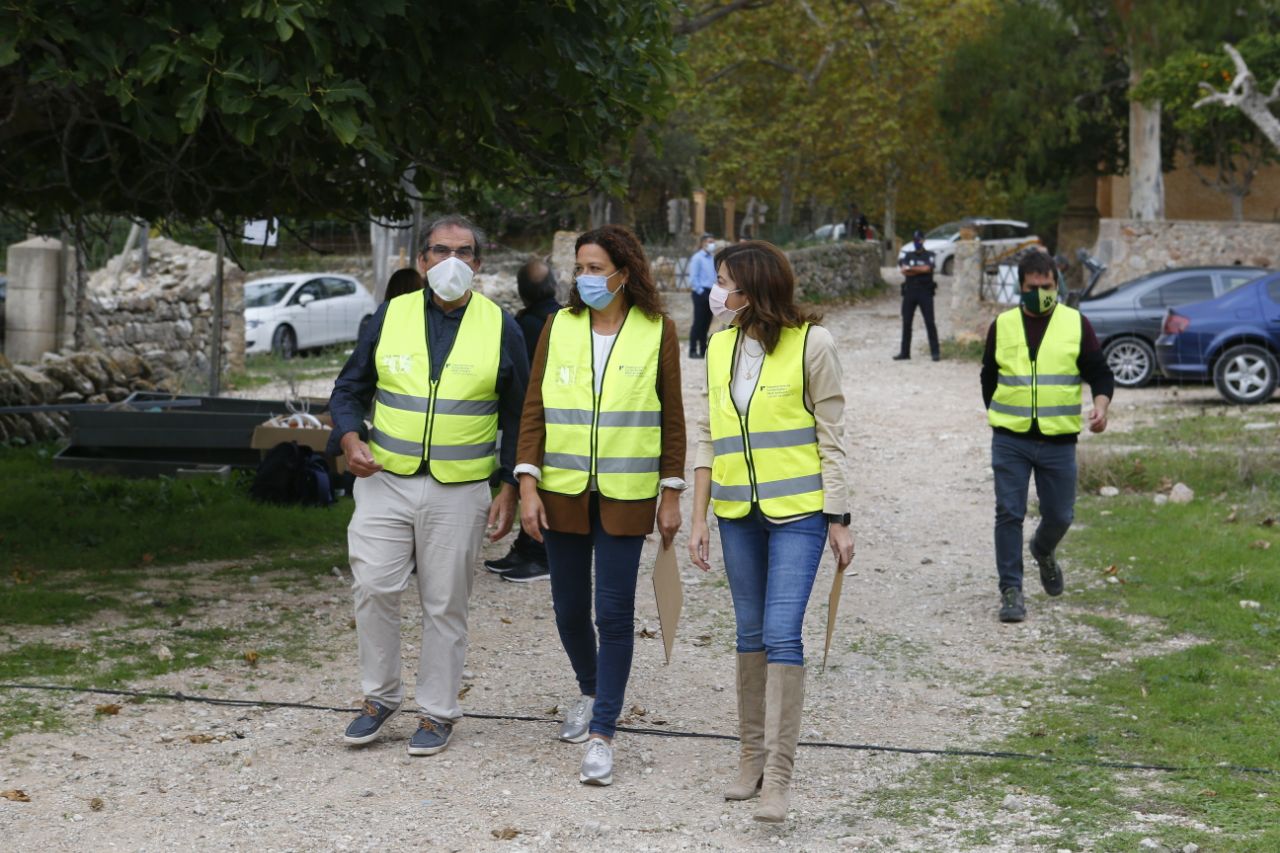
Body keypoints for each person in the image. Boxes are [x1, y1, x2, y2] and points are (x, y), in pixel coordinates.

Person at [329, 214, 530, 756]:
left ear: (479, 265)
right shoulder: (388, 316)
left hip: (460, 488)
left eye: (464, 252)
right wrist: (349, 440)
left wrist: (510, 485)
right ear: (421, 262)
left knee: (445, 603)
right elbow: (349, 388)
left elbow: (520, 416)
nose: (452, 263)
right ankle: (379, 698)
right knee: (373, 588)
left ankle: (438, 712)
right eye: (440, 251)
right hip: (385, 480)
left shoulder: (500, 326)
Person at [688, 241, 853, 823]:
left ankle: (779, 777)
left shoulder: (815, 343)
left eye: (727, 281)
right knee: (749, 632)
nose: (718, 291)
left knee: (783, 632)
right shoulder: (719, 344)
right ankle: (750, 759)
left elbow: (831, 434)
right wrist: (698, 516)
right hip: (736, 512)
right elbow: (707, 434)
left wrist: (839, 516)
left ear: (755, 288)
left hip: (800, 514)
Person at [516, 225, 685, 786]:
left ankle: (603, 734)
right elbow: (534, 409)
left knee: (612, 615)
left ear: (625, 272)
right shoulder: (557, 327)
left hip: (626, 494)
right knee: (567, 610)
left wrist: (671, 492)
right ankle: (590, 691)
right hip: (563, 491)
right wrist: (527, 485)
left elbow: (672, 420)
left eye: (594, 268)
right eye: (579, 268)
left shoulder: (657, 331)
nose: (584, 278)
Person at [982, 250, 1114, 624]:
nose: (1039, 293)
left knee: (1060, 515)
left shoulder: (1076, 323)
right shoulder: (1003, 325)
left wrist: (1101, 407)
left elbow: (1101, 374)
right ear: (1020, 287)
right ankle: (1011, 590)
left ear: (1057, 285)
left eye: (1047, 286)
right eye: (1032, 287)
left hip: (1058, 441)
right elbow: (988, 376)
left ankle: (1043, 549)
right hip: (1010, 438)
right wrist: (999, 414)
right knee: (1008, 512)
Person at [485, 258, 562, 583]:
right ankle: (525, 546)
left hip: (544, 415)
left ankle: (540, 554)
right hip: (543, 414)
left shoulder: (535, 324)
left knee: (538, 485)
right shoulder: (550, 318)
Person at [894, 229, 940, 361]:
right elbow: (904, 271)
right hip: (910, 292)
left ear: (923, 240)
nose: (917, 243)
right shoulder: (908, 255)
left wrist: (912, 269)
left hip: (925, 292)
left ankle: (935, 353)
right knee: (907, 322)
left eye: (919, 240)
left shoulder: (929, 255)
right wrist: (919, 270)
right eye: (914, 240)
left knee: (930, 322)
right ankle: (905, 352)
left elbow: (928, 268)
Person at [687, 233, 717, 358]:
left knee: (706, 322)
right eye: (710, 241)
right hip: (700, 293)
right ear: (703, 243)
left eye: (713, 241)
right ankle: (693, 349)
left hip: (711, 292)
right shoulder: (697, 258)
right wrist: (702, 292)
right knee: (698, 322)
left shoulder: (712, 258)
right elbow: (693, 279)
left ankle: (703, 350)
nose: (712, 244)